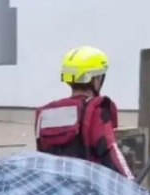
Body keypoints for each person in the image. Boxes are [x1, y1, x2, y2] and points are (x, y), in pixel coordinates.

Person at [34, 46, 134, 179]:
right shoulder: (96, 111)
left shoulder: (45, 114)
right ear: (95, 79)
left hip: (55, 190)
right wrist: (132, 185)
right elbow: (111, 155)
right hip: (88, 189)